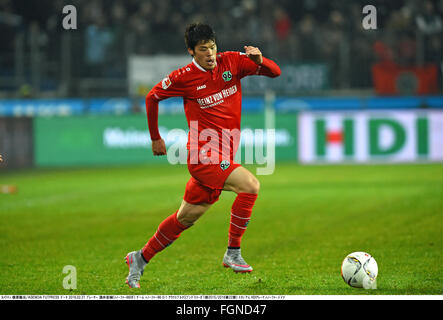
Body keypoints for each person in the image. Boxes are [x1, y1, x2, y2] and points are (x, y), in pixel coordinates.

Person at [125, 23, 281, 288]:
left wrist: (260, 60)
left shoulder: (231, 61)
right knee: (250, 186)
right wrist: (155, 138)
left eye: (212, 47)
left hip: (225, 153)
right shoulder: (184, 77)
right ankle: (233, 253)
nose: (209, 54)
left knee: (185, 218)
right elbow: (152, 97)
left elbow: (275, 73)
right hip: (203, 155)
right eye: (203, 49)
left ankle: (140, 258)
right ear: (191, 51)